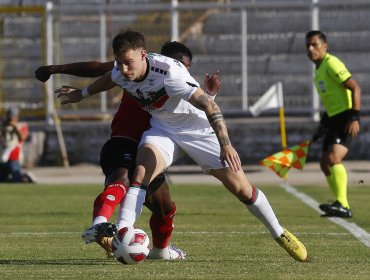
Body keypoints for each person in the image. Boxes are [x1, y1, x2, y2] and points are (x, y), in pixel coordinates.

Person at [56, 30, 308, 262]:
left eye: (128, 63)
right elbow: (108, 79)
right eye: (119, 63)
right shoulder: (122, 71)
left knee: (240, 188)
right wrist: (82, 94)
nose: (123, 68)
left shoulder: (169, 74)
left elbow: (209, 106)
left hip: (197, 129)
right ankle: (124, 231)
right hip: (163, 129)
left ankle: (279, 233)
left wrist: (226, 145)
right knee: (140, 172)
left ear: (143, 55)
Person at [35, 41, 220, 260]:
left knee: (165, 208)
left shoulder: (180, 83)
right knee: (121, 179)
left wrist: (211, 94)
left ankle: (161, 251)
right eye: (178, 62)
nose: (181, 67)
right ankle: (100, 226)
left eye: (186, 66)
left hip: (152, 151)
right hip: (125, 140)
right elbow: (98, 68)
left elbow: (196, 113)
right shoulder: (135, 71)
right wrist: (55, 70)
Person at [306, 30, 361, 218]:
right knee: (324, 163)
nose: (310, 48)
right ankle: (339, 201)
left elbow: (355, 88)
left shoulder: (331, 63)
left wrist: (354, 117)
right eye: (308, 45)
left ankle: (343, 204)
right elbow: (331, 103)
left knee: (334, 158)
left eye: (314, 44)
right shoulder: (318, 71)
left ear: (325, 46)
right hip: (333, 119)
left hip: (346, 118)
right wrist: (322, 127)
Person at [0, 107, 28, 182]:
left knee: (17, 180)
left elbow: (22, 138)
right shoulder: (3, 126)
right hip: (2, 159)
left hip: (15, 159)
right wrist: (3, 127)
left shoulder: (21, 125)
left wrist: (15, 126)